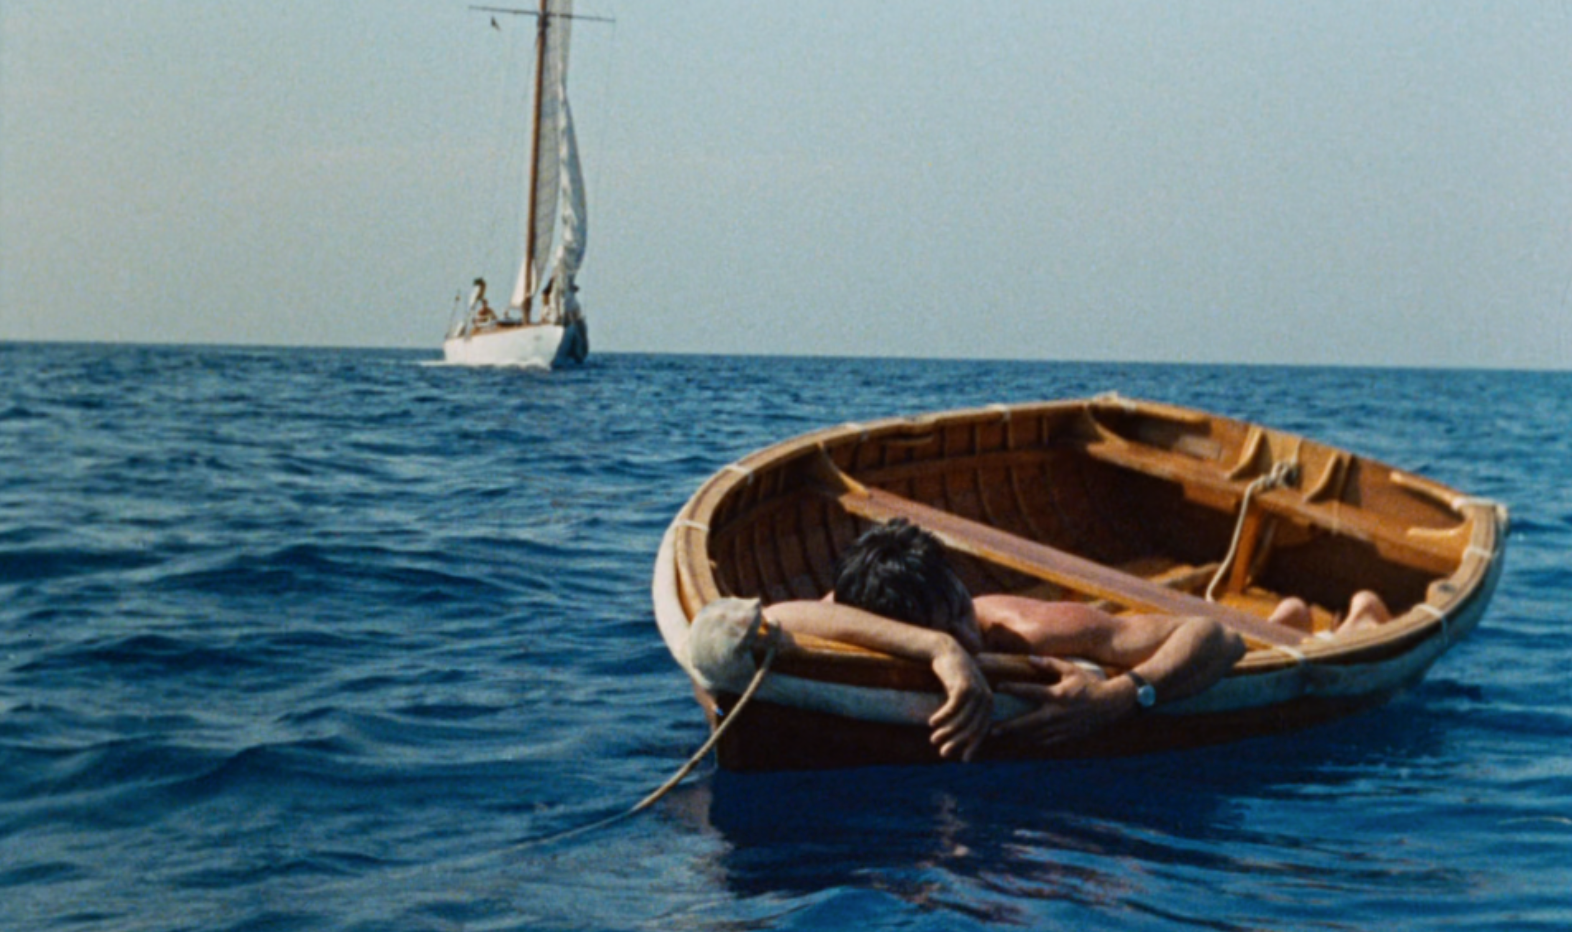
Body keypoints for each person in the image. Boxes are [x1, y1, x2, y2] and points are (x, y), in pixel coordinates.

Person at [769, 519, 1390, 762]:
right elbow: (777, 614)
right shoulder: (869, 614)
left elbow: (1218, 638)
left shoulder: (1024, 629)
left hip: (1157, 651)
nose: (966, 631)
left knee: (1259, 638)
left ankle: (1357, 617)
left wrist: (1123, 696)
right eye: (943, 627)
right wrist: (941, 652)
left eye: (961, 610)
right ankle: (1291, 617)